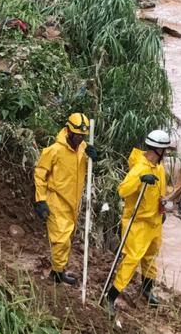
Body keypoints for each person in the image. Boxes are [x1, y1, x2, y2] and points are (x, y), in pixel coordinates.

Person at [102, 128, 171, 317]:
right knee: (132, 260)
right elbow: (122, 190)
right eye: (166, 150)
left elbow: (161, 192)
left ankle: (147, 290)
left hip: (154, 221)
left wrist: (162, 209)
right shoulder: (140, 168)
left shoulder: (159, 168)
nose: (167, 154)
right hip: (138, 222)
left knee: (151, 256)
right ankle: (111, 297)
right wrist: (140, 180)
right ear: (159, 150)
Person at [34, 112, 96, 284]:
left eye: (82, 136)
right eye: (77, 135)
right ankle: (56, 273)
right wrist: (40, 200)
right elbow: (40, 175)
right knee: (61, 240)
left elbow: (83, 169)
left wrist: (92, 158)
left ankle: (58, 271)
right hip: (56, 200)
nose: (79, 139)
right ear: (69, 131)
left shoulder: (82, 149)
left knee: (67, 238)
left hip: (73, 202)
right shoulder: (54, 151)